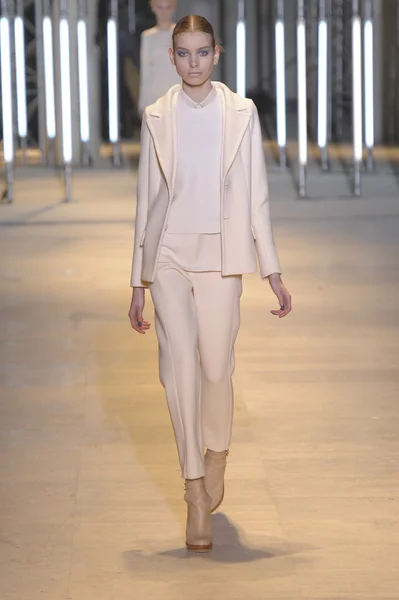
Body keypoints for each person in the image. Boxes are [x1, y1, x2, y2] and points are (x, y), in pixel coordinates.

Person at [129, 14, 292, 552]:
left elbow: (257, 195)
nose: (193, 62)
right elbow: (146, 202)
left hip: (223, 257)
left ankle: (217, 451)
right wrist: (138, 279)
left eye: (202, 52)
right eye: (183, 53)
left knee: (217, 366)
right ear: (172, 57)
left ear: (217, 53)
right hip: (171, 253)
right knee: (180, 371)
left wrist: (271, 267)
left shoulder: (241, 113)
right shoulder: (158, 116)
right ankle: (194, 489)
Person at [138, 0, 181, 115]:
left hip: (178, 97)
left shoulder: (181, 34)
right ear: (153, 8)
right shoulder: (147, 36)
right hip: (154, 99)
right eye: (159, 7)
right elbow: (145, 71)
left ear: (174, 8)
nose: (164, 12)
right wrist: (142, 103)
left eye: (168, 8)